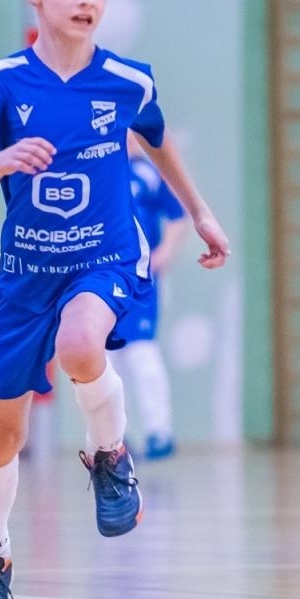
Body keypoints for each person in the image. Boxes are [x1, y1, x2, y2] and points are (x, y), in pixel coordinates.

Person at [0, 0, 229, 599]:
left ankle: (107, 452)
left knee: (83, 343)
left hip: (105, 253)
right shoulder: (2, 83)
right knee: (1, 433)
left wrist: (203, 213)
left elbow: (160, 147)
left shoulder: (127, 81)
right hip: (26, 273)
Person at [109, 138, 189, 461]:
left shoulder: (149, 173)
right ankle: (114, 436)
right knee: (108, 359)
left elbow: (177, 214)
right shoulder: (101, 171)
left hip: (140, 280)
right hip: (104, 278)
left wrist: (166, 251)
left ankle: (159, 432)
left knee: (142, 352)